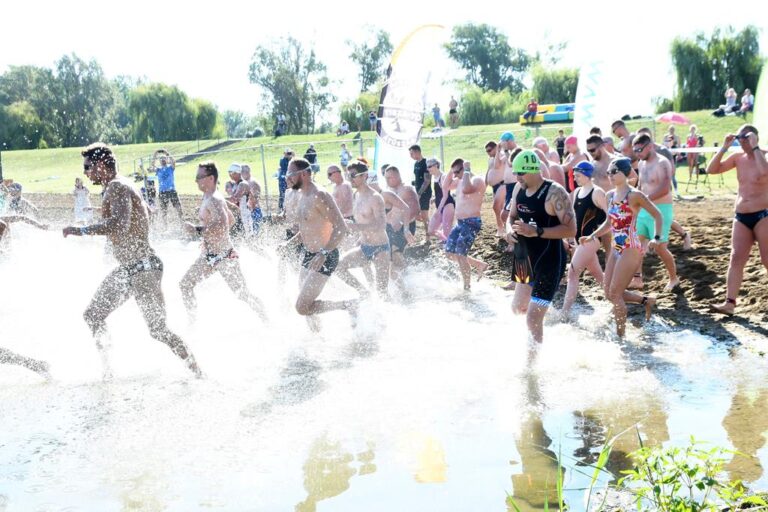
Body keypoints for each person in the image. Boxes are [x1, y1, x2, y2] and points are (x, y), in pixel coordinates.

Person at [62, 143, 201, 377]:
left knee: (158, 330)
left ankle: (198, 372)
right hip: (132, 269)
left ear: (101, 165)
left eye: (87, 167)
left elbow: (120, 224)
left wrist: (81, 230)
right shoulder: (120, 185)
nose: (85, 173)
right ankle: (108, 372)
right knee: (93, 315)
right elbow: (138, 217)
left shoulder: (117, 186)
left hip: (143, 268)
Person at [583, 157, 661, 337]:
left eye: (613, 172)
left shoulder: (634, 195)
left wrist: (656, 238)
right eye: (608, 172)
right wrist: (592, 235)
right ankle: (646, 301)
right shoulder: (609, 195)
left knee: (615, 294)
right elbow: (609, 223)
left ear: (625, 173)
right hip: (616, 247)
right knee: (608, 293)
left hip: (631, 248)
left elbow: (657, 215)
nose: (609, 175)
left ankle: (621, 338)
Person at [179, 162, 266, 319]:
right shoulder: (209, 197)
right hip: (210, 255)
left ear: (211, 178)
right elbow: (231, 219)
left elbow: (222, 223)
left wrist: (197, 230)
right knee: (185, 284)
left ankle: (267, 318)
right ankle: (192, 323)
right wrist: (209, 238)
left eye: (199, 177)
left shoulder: (214, 199)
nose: (196, 180)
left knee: (242, 294)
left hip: (225, 256)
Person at [506, 150, 576, 343]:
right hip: (524, 257)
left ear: (533, 170)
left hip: (549, 260)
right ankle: (546, 329)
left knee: (532, 319)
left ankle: (533, 360)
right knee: (517, 308)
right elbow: (511, 217)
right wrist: (509, 231)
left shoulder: (555, 193)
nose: (517, 177)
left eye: (520, 173)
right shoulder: (518, 189)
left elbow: (571, 229)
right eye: (515, 173)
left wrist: (537, 231)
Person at [282, 157, 356, 321]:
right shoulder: (302, 195)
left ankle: (349, 305)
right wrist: (289, 243)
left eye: (291, 174)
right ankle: (317, 335)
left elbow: (341, 227)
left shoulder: (319, 195)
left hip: (325, 256)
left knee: (302, 307)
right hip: (310, 255)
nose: (288, 178)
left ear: (304, 174)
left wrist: (324, 253)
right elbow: (308, 228)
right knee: (306, 307)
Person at [706, 125, 768, 316]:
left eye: (745, 138)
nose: (741, 142)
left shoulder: (764, 155)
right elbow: (711, 169)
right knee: (736, 258)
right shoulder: (737, 158)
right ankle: (730, 303)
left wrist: (755, 147)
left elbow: (764, 173)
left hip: (763, 214)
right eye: (739, 138)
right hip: (741, 216)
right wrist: (724, 147)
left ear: (754, 138)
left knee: (767, 259)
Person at [631, 133, 680, 291]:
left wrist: (643, 200)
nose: (637, 153)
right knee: (636, 245)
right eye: (635, 150)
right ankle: (637, 279)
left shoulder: (662, 162)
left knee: (660, 247)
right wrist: (637, 203)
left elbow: (665, 188)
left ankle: (673, 279)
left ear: (650, 146)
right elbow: (641, 186)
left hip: (661, 209)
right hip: (644, 209)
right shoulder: (641, 163)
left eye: (639, 150)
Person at [335, 160, 391, 297]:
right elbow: (363, 219)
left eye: (353, 175)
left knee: (382, 292)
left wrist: (356, 226)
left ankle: (398, 309)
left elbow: (381, 225)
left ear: (364, 176)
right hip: (364, 246)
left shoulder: (375, 197)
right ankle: (364, 293)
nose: (350, 179)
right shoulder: (356, 195)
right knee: (338, 267)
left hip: (380, 248)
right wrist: (356, 231)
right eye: (348, 175)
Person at [561, 161, 607, 318]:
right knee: (598, 275)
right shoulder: (577, 192)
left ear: (588, 175)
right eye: (574, 176)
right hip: (579, 240)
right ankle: (618, 298)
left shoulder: (597, 192)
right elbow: (575, 218)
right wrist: (570, 237)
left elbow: (611, 217)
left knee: (572, 273)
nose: (575, 179)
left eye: (578, 176)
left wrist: (597, 235)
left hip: (591, 240)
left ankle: (564, 313)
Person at [444, 158, 488, 290]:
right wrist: (451, 170)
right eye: (454, 173)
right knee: (449, 252)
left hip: (471, 222)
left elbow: (467, 190)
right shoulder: (459, 181)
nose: (455, 176)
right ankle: (479, 265)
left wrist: (467, 170)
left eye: (457, 172)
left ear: (465, 169)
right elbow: (445, 186)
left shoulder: (477, 180)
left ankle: (467, 287)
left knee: (461, 254)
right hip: (460, 223)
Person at [382, 166, 419, 284]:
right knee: (390, 257)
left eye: (390, 178)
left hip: (404, 227)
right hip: (391, 229)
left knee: (395, 253)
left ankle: (407, 281)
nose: (387, 180)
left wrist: (403, 225)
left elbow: (415, 209)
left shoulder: (407, 189)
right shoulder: (389, 190)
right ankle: (400, 281)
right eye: (386, 178)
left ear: (397, 176)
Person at [150, 149, 183, 226]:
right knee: (164, 211)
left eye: (164, 159)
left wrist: (167, 153)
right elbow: (152, 165)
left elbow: (173, 162)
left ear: (166, 160)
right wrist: (155, 155)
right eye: (161, 159)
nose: (162, 160)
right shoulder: (158, 170)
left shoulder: (170, 168)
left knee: (178, 208)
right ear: (159, 161)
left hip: (171, 191)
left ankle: (182, 223)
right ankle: (165, 226)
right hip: (163, 192)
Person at [427, 158, 456, 241]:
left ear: (436, 165)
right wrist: (435, 198)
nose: (428, 169)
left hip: (448, 204)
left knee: (446, 232)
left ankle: (448, 243)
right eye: (427, 167)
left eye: (429, 166)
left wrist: (438, 210)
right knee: (431, 230)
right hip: (440, 205)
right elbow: (440, 193)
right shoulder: (435, 177)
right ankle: (449, 240)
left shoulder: (443, 177)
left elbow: (445, 195)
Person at [484, 141, 507, 237]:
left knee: (496, 207)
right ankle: (501, 228)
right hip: (494, 186)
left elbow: (497, 165)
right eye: (486, 151)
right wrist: (485, 184)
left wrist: (498, 151)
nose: (488, 153)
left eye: (489, 150)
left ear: (495, 148)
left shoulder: (502, 156)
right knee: (499, 208)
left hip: (502, 184)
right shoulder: (490, 159)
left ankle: (504, 227)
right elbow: (488, 171)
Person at [409, 144, 432, 241]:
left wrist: (419, 194)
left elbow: (427, 181)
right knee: (417, 215)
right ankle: (431, 230)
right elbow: (418, 178)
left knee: (425, 216)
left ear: (417, 152)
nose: (410, 156)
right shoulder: (416, 164)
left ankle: (428, 237)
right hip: (417, 192)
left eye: (412, 153)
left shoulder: (425, 163)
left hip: (424, 193)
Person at [227, 163, 252, 237]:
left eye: (230, 173)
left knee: (246, 238)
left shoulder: (243, 184)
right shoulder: (235, 184)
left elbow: (235, 199)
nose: (229, 175)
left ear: (237, 173)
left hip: (244, 216)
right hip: (237, 215)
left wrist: (220, 200)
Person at [240, 164, 264, 236]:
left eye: (242, 172)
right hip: (251, 210)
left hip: (254, 211)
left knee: (255, 234)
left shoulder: (252, 182)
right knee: (251, 233)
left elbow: (253, 198)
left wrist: (251, 210)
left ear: (247, 172)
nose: (241, 175)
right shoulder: (248, 182)